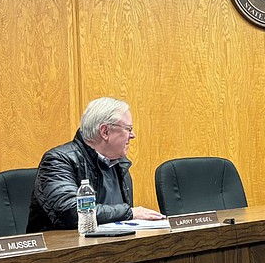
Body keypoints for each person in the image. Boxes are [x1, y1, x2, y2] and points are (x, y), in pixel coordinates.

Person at [28, 97, 164, 232]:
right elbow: (71, 212)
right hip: (66, 249)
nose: (132, 135)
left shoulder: (119, 164)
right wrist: (131, 213)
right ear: (105, 131)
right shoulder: (58, 160)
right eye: (128, 129)